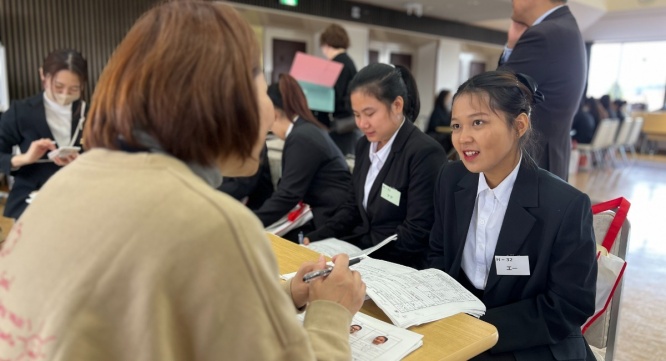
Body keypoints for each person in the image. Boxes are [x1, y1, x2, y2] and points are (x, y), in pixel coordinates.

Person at [0, 2, 366, 360]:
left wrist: (283, 291)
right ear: (227, 98)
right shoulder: (211, 223)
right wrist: (332, 312)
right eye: (260, 81)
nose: (269, 112)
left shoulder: (67, 184)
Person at [428, 71, 597, 360]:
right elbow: (438, 254)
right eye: (456, 125)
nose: (463, 137)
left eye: (478, 122)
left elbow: (568, 306)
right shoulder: (451, 178)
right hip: (460, 327)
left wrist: (480, 331)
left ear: (519, 125)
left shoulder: (565, 204)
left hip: (532, 341)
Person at [304, 63, 447, 269]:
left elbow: (417, 231)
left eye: (369, 113)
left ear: (397, 105)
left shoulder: (424, 153)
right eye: (357, 114)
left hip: (399, 263)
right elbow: (353, 206)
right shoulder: (364, 145)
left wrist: (359, 257)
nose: (362, 124)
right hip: (362, 252)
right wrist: (319, 236)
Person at [254, 73, 352, 240]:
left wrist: (249, 221)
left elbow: (288, 195)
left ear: (274, 114)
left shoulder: (301, 137)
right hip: (324, 214)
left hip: (328, 220)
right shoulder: (305, 130)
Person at [498, 0, 586, 181]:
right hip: (548, 161)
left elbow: (493, 94)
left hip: (531, 164)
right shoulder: (564, 28)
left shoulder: (544, 34)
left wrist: (511, 49)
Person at [0, 49, 87, 219]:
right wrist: (24, 159)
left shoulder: (89, 113)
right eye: (58, 87)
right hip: (32, 198)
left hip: (80, 196)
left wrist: (83, 161)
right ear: (43, 75)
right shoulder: (21, 112)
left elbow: (104, 153)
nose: (64, 95)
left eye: (73, 89)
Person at [317, 23, 360, 155]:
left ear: (326, 44)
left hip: (339, 127)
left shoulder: (335, 64)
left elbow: (332, 97)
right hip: (350, 124)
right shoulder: (349, 62)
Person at [217, 144, 274, 210]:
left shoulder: (250, 139)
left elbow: (242, 185)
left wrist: (207, 192)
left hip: (250, 208)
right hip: (220, 202)